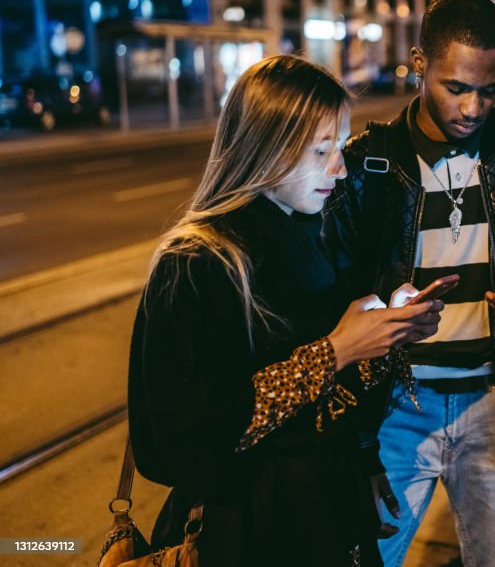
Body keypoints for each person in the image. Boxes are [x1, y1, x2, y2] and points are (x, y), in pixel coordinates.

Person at [127, 55, 443, 565]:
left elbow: (326, 400)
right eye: (323, 150)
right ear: (266, 150)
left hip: (324, 511)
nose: (340, 168)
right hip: (251, 531)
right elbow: (185, 438)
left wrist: (386, 331)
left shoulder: (301, 235)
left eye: (339, 147)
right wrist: (337, 349)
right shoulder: (199, 262)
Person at [324, 0, 495, 567]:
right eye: (457, 87)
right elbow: (328, 302)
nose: (474, 107)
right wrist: (354, 444)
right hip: (395, 412)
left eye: (489, 88)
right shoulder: (368, 165)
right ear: (421, 63)